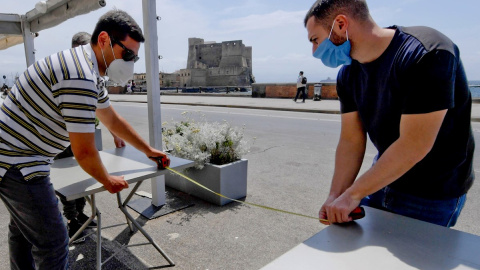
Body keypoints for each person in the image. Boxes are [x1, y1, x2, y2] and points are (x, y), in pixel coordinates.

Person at [0, 10, 170, 269]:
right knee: (54, 243)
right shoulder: (81, 76)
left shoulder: (86, 67)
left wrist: (148, 150)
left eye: (134, 57)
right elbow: (84, 152)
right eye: (127, 54)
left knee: (25, 230)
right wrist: (107, 180)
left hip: (15, 155)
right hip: (19, 162)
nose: (131, 61)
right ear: (104, 39)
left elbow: (112, 120)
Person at [304, 0, 474, 227]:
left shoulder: (427, 52)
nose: (314, 51)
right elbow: (350, 141)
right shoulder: (348, 74)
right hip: (382, 181)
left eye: (315, 40)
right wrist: (336, 196)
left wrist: (352, 195)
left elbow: (415, 143)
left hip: (433, 194)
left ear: (341, 24)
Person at [55, 31, 127, 239]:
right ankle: (71, 221)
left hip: (86, 134)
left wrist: (115, 134)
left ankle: (80, 214)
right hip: (65, 138)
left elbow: (104, 110)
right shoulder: (69, 73)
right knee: (68, 181)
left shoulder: (94, 75)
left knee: (85, 177)